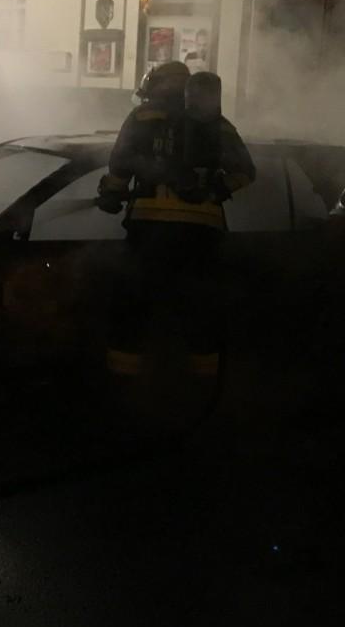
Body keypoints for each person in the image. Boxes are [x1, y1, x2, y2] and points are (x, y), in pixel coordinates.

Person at [96, 63, 255, 387]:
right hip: (202, 232)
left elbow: (120, 163)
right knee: (200, 309)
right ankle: (205, 387)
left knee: (133, 306)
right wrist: (213, 191)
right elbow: (245, 171)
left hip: (150, 228)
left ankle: (122, 388)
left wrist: (112, 194)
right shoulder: (217, 123)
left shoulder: (141, 119)